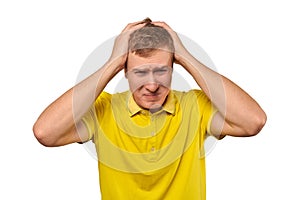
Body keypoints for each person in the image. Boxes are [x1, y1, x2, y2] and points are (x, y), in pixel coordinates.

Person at [33, 18, 267, 200]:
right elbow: (45, 132)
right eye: (140, 72)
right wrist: (112, 62)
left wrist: (185, 56)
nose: (152, 85)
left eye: (161, 70)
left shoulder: (194, 106)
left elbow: (253, 121)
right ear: (124, 71)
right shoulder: (104, 108)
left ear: (174, 68)